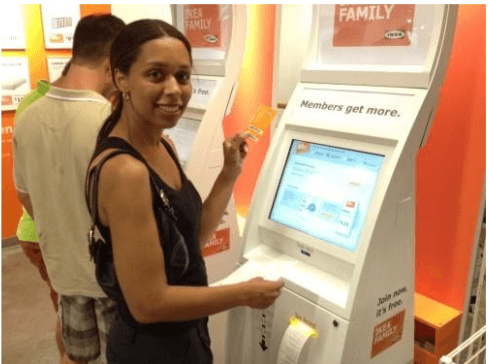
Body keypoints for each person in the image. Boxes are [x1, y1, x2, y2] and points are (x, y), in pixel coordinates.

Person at [85, 19, 284, 364]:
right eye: (156, 75)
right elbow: (148, 304)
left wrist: (228, 174)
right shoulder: (126, 172)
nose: (174, 89)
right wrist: (242, 294)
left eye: (183, 76)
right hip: (153, 350)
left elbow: (191, 240)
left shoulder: (164, 147)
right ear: (121, 78)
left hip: (185, 335)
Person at [13, 14, 125, 364]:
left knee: (75, 356)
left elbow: (25, 194)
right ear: (111, 64)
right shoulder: (109, 121)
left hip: (63, 273)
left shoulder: (28, 114)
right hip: (110, 280)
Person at [14, 60, 71, 360]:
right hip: (47, 233)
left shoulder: (31, 103)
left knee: (63, 306)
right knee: (70, 312)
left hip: (34, 232)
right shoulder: (51, 110)